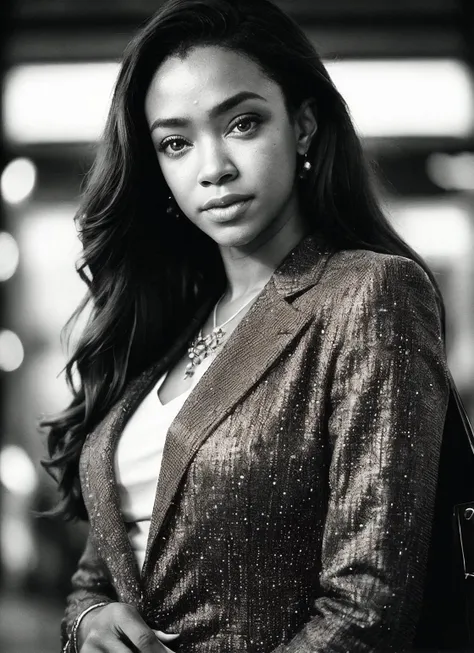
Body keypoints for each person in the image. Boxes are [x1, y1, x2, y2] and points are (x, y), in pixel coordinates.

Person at [40, 0, 457, 651]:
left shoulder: (369, 292)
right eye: (176, 143)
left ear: (304, 125)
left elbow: (366, 608)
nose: (213, 168)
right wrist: (90, 618)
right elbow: (104, 569)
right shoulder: (165, 322)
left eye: (241, 123)